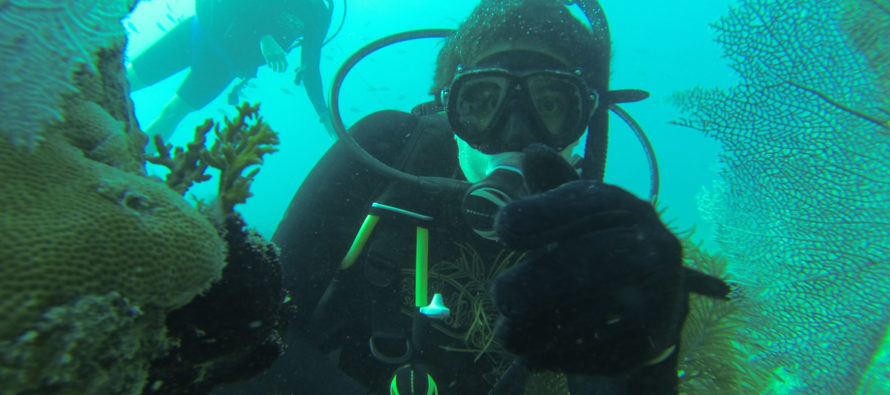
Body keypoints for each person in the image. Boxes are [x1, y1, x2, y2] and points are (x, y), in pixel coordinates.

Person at [220, 0, 731, 394]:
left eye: (551, 103)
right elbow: (257, 332)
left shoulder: (598, 234)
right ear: (449, 108)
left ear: (585, 124)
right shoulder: (386, 150)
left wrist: (651, 352)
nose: (513, 134)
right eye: (482, 102)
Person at [126, 0, 333, 148]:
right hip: (199, 33)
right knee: (127, 80)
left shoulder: (320, 15)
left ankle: (131, 159)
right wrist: (264, 35)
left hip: (224, 67)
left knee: (173, 112)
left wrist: (323, 113)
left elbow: (310, 66)